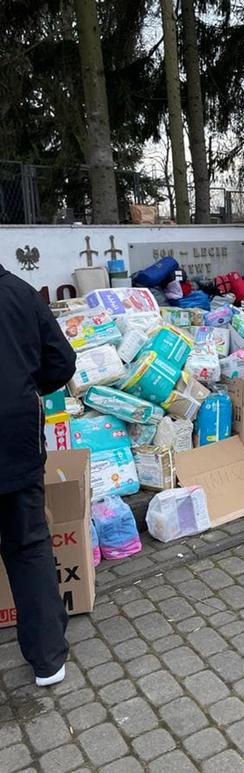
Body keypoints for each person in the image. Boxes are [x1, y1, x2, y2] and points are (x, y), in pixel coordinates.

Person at [0, 265, 76, 686]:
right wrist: (28, 386)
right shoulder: (20, 295)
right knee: (28, 543)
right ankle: (48, 659)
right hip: (15, 437)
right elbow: (61, 362)